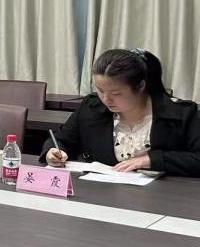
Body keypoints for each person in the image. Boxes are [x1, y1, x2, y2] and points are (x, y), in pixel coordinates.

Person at [41, 48, 200, 176]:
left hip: (165, 197)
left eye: (116, 93)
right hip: (102, 193)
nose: (106, 99)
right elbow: (61, 139)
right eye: (100, 90)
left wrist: (152, 160)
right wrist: (53, 151)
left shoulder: (181, 114)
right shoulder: (91, 107)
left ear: (141, 86)